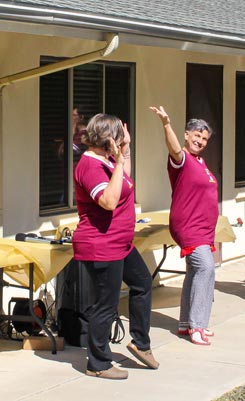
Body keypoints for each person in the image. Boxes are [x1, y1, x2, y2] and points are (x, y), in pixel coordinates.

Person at [73, 113, 159, 379]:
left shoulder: (107, 161)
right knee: (105, 305)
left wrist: (125, 151)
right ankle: (97, 364)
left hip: (120, 242)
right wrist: (119, 159)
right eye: (120, 135)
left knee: (143, 283)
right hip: (101, 244)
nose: (123, 138)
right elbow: (109, 201)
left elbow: (125, 182)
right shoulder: (89, 166)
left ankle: (140, 342)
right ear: (108, 139)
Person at [150, 105, 218, 346]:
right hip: (189, 226)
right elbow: (174, 149)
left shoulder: (201, 162)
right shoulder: (182, 160)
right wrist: (166, 124)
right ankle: (197, 326)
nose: (200, 140)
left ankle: (185, 323)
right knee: (206, 269)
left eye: (204, 138)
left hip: (203, 229)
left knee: (194, 271)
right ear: (187, 135)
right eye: (196, 135)